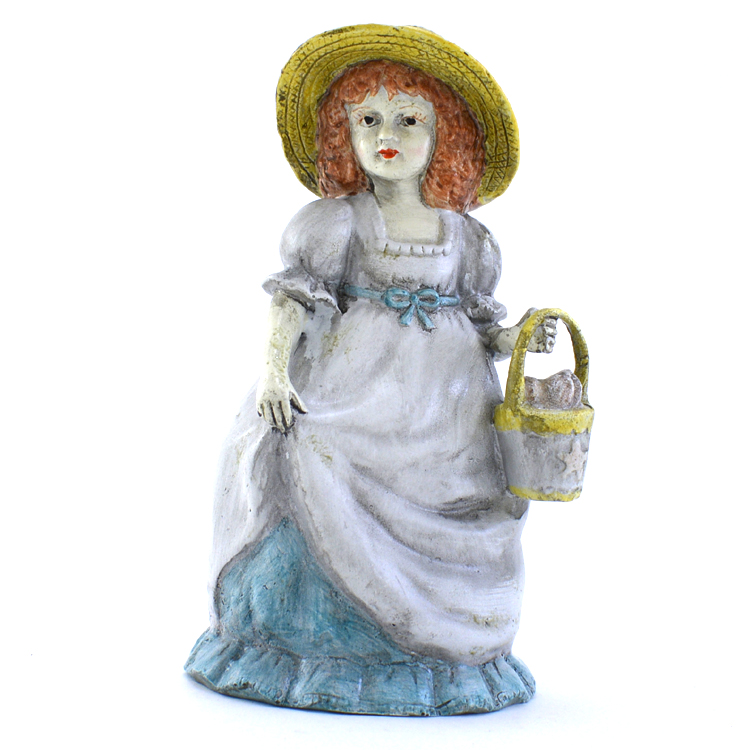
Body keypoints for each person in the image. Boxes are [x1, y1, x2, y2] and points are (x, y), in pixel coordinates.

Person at [185, 25, 556, 716]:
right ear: (343, 134)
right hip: (352, 392)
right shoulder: (336, 224)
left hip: (447, 411)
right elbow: (292, 302)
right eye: (369, 120)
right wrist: (274, 372)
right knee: (305, 446)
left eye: (410, 120)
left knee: (470, 496)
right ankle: (301, 647)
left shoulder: (468, 239)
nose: (388, 135)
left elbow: (483, 327)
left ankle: (448, 647)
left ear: (444, 138)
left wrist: (523, 338)